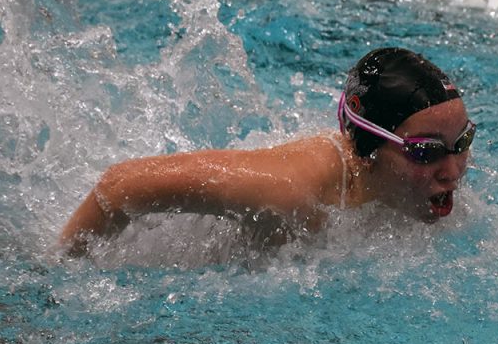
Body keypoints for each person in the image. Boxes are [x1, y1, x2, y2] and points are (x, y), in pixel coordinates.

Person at [59, 47, 476, 256]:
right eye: (425, 152)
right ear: (368, 147)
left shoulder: (414, 189)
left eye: (463, 144)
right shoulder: (291, 191)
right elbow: (119, 185)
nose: (453, 170)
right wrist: (62, 271)